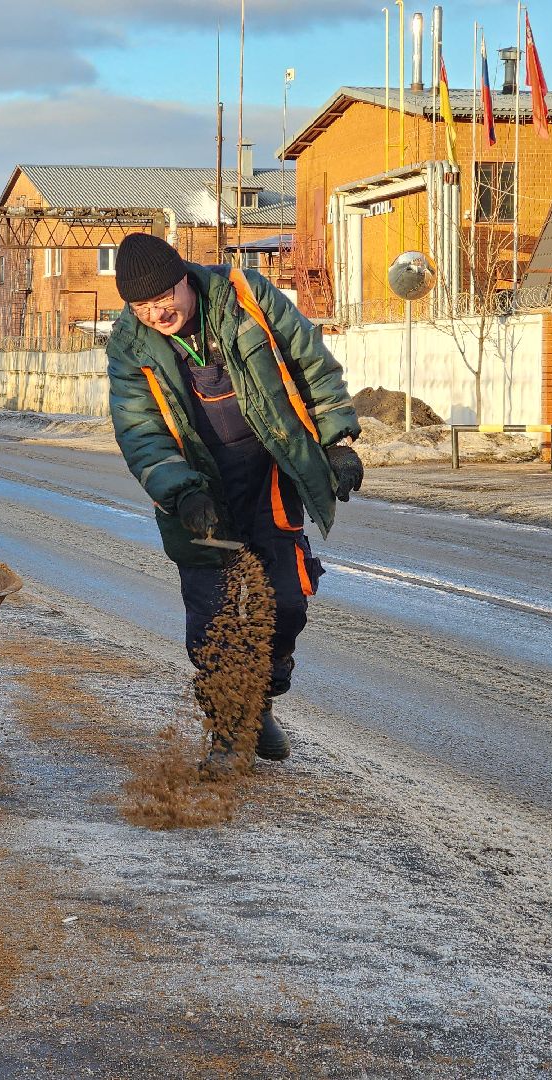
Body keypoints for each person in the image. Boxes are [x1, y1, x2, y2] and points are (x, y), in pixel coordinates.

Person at [105, 232, 363, 772]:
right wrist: (182, 492)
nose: (156, 313)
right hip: (200, 494)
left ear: (183, 279)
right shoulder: (129, 345)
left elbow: (310, 361)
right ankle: (227, 732)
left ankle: (260, 701)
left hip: (271, 475)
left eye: (163, 299)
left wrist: (336, 440)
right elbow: (140, 432)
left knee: (287, 602)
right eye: (141, 307)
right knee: (212, 617)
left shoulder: (245, 297)